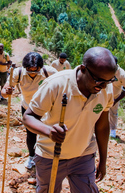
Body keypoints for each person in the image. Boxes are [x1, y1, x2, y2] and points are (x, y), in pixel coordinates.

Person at [23, 47, 117, 193]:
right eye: (99, 81)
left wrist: (103, 161)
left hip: (83, 155)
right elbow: (28, 117)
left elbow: (102, 126)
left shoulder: (106, 90)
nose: (104, 86)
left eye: (109, 80)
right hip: (50, 154)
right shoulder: (57, 84)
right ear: (83, 69)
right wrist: (49, 131)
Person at [2, 52, 58, 169]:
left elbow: (62, 85)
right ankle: (32, 156)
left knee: (48, 133)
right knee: (31, 134)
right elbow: (4, 92)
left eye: (35, 70)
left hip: (47, 110)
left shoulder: (50, 72)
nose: (33, 72)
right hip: (28, 109)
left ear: (40, 67)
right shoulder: (18, 73)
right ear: (25, 67)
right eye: (30, 70)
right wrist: (7, 92)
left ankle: (48, 157)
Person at [109, 57, 125, 139]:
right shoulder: (106, 69)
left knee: (113, 113)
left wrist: (116, 100)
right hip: (104, 95)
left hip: (115, 96)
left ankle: (112, 131)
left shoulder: (122, 75)